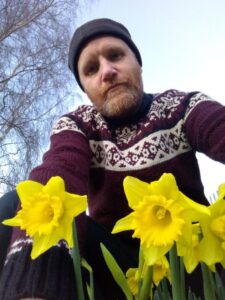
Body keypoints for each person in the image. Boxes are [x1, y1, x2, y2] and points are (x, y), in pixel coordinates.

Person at [0, 17, 225, 300]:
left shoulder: (183, 107)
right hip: (116, 274)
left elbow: (219, 127)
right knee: (14, 205)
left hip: (193, 267)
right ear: (84, 88)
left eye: (116, 55)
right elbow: (59, 174)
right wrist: (34, 288)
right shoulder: (80, 125)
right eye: (91, 69)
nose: (107, 71)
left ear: (137, 62)